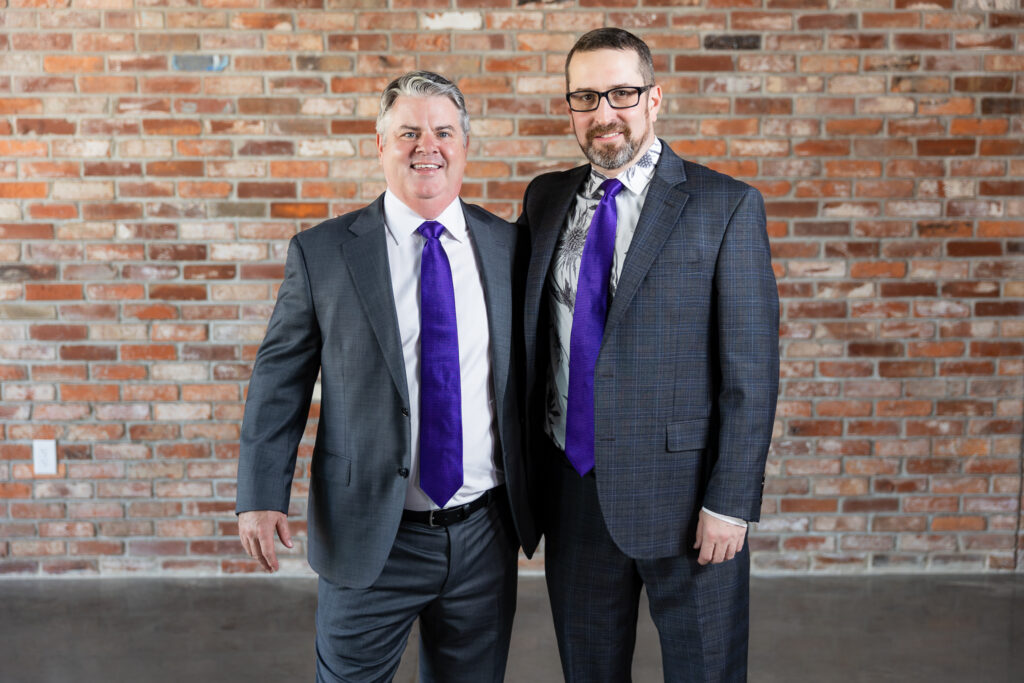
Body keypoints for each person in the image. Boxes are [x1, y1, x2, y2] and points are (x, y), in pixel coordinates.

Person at [236, 70, 537, 683]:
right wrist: (262, 495)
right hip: (369, 532)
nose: (427, 145)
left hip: (483, 533)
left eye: (443, 131)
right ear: (380, 145)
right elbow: (279, 383)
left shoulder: (509, 247)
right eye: (408, 132)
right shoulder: (323, 253)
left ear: (464, 146)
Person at [518, 28, 779, 682]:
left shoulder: (725, 205)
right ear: (570, 108)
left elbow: (751, 374)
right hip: (575, 492)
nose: (604, 113)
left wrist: (731, 500)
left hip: (690, 504)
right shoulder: (545, 199)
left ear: (655, 98)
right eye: (585, 97)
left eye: (622, 93)